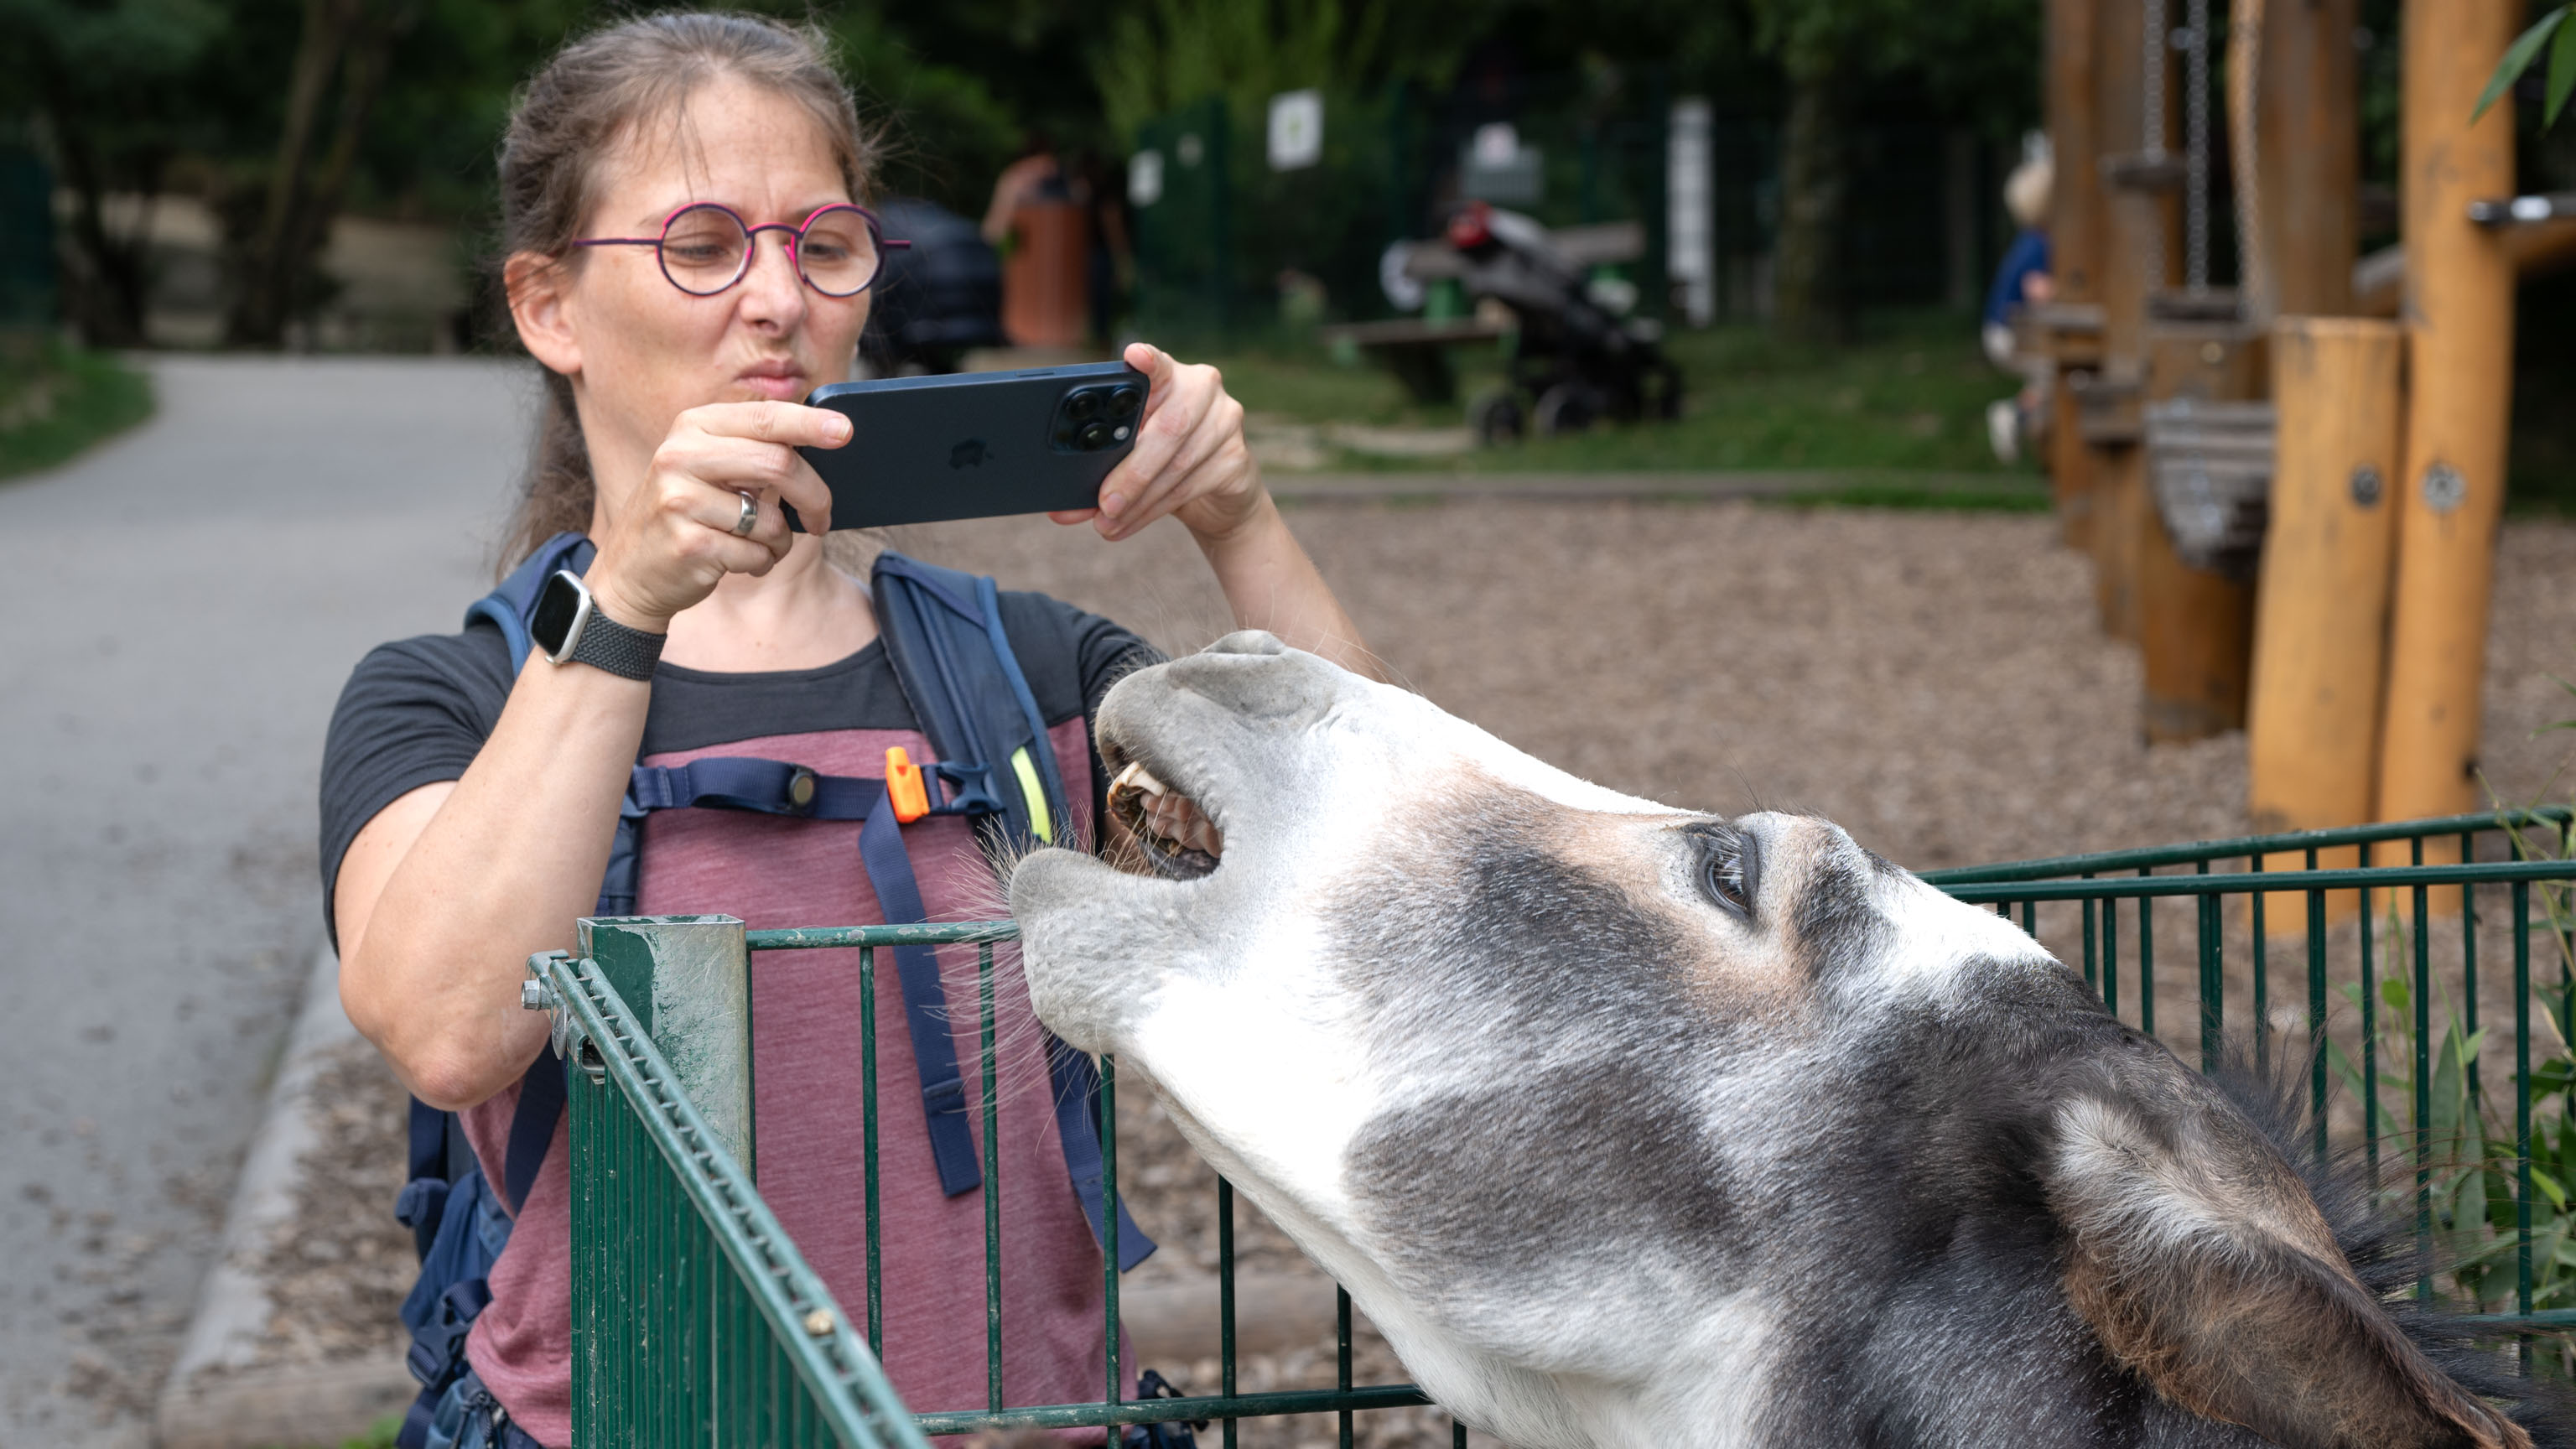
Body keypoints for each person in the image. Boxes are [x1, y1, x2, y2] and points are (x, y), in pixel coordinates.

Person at [318, 14, 1373, 1448]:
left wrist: (1239, 520)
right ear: (548, 306)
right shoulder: (450, 697)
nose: (776, 302)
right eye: (700, 243)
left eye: (821, 244)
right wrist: (624, 598)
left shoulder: (1025, 670)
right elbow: (450, 1028)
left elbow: (1374, 871)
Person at [1982, 153, 2055, 465]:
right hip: (2010, 335)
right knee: (2064, 375)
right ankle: (2016, 414)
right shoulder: (2040, 243)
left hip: (2002, 331)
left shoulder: (2030, 239)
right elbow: (2038, 291)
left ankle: (2027, 416)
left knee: (2053, 379)